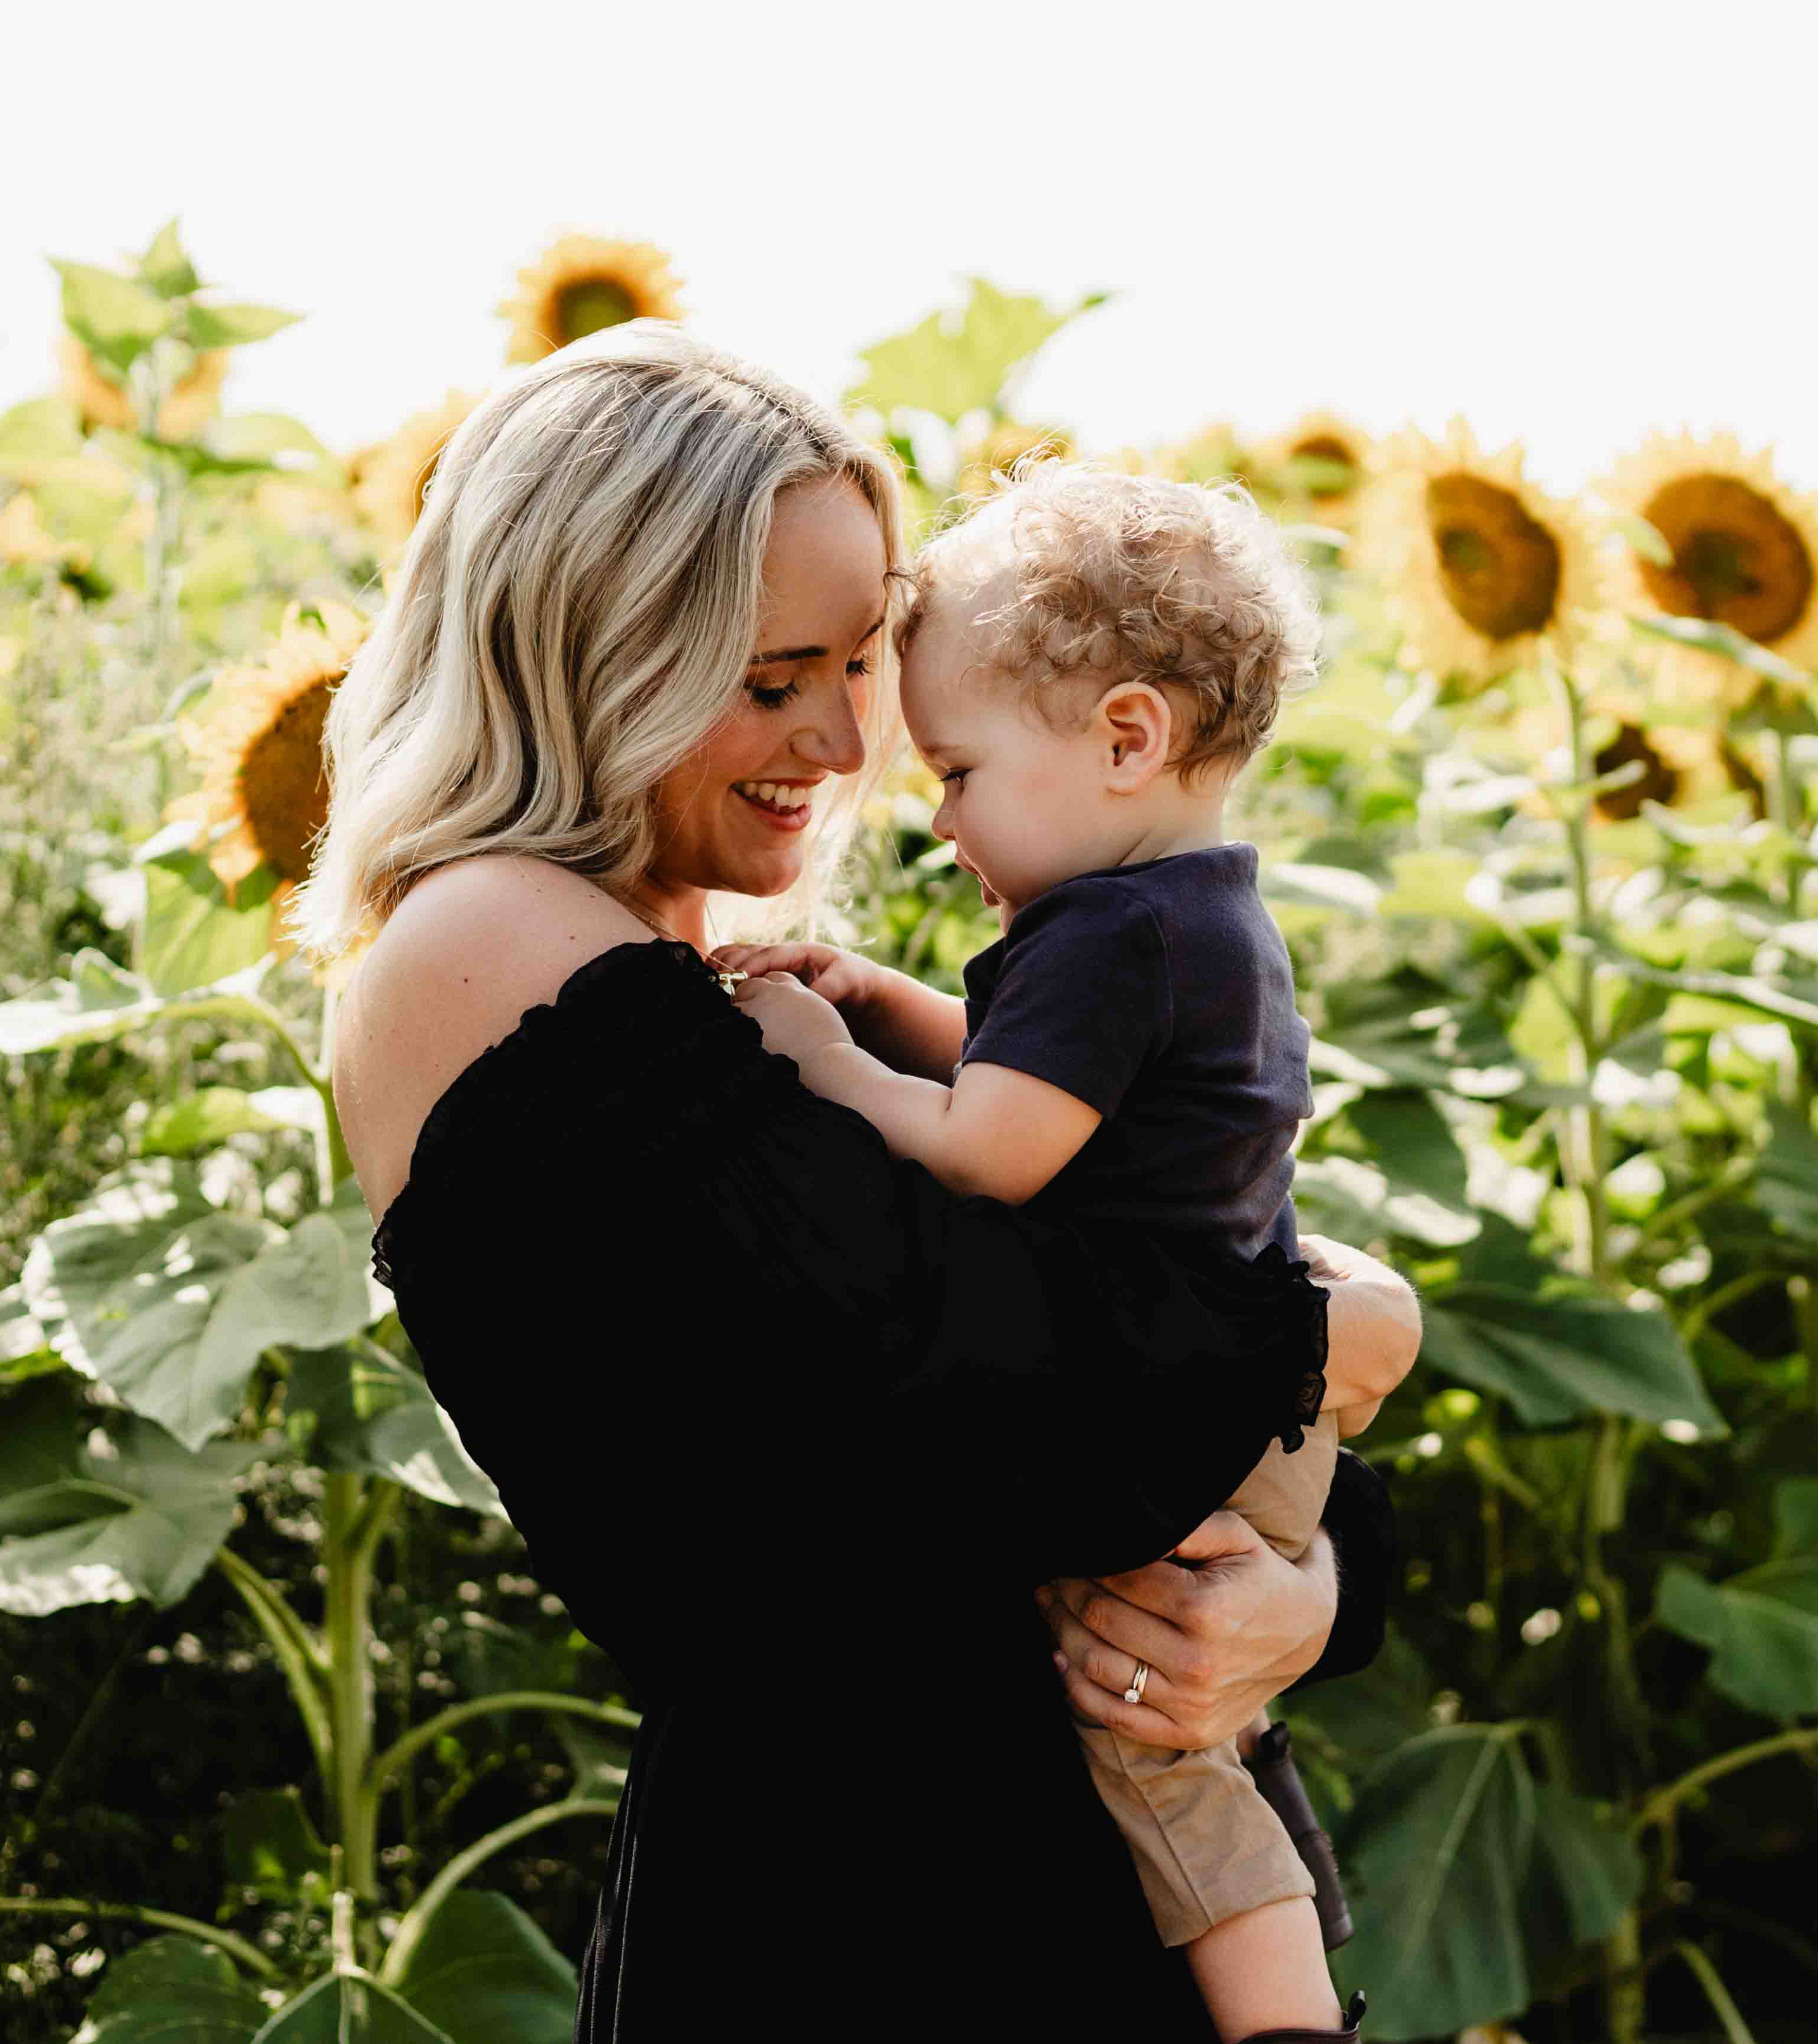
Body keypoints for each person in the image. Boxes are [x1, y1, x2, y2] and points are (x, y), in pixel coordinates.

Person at [300, 323, 1414, 2040]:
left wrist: (1313, 1598)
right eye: (771, 679)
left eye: (860, 667)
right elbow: (987, 1414)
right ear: (595, 657)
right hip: (869, 1929)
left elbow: (1103, 1349)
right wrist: (1335, 1324)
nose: (840, 742)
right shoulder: (491, 944)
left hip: (1046, 1888)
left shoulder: (739, 988)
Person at [713, 460, 1408, 2042]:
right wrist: (893, 1005)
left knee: (1155, 1746)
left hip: (1183, 1405)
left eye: (955, 771)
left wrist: (824, 1060)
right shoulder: (1192, 911)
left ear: (1125, 738)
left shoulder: (1107, 934)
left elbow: (997, 1143)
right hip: (1244, 1382)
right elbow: (1056, 1082)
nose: (939, 815)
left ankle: (1285, 2027)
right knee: (1186, 1721)